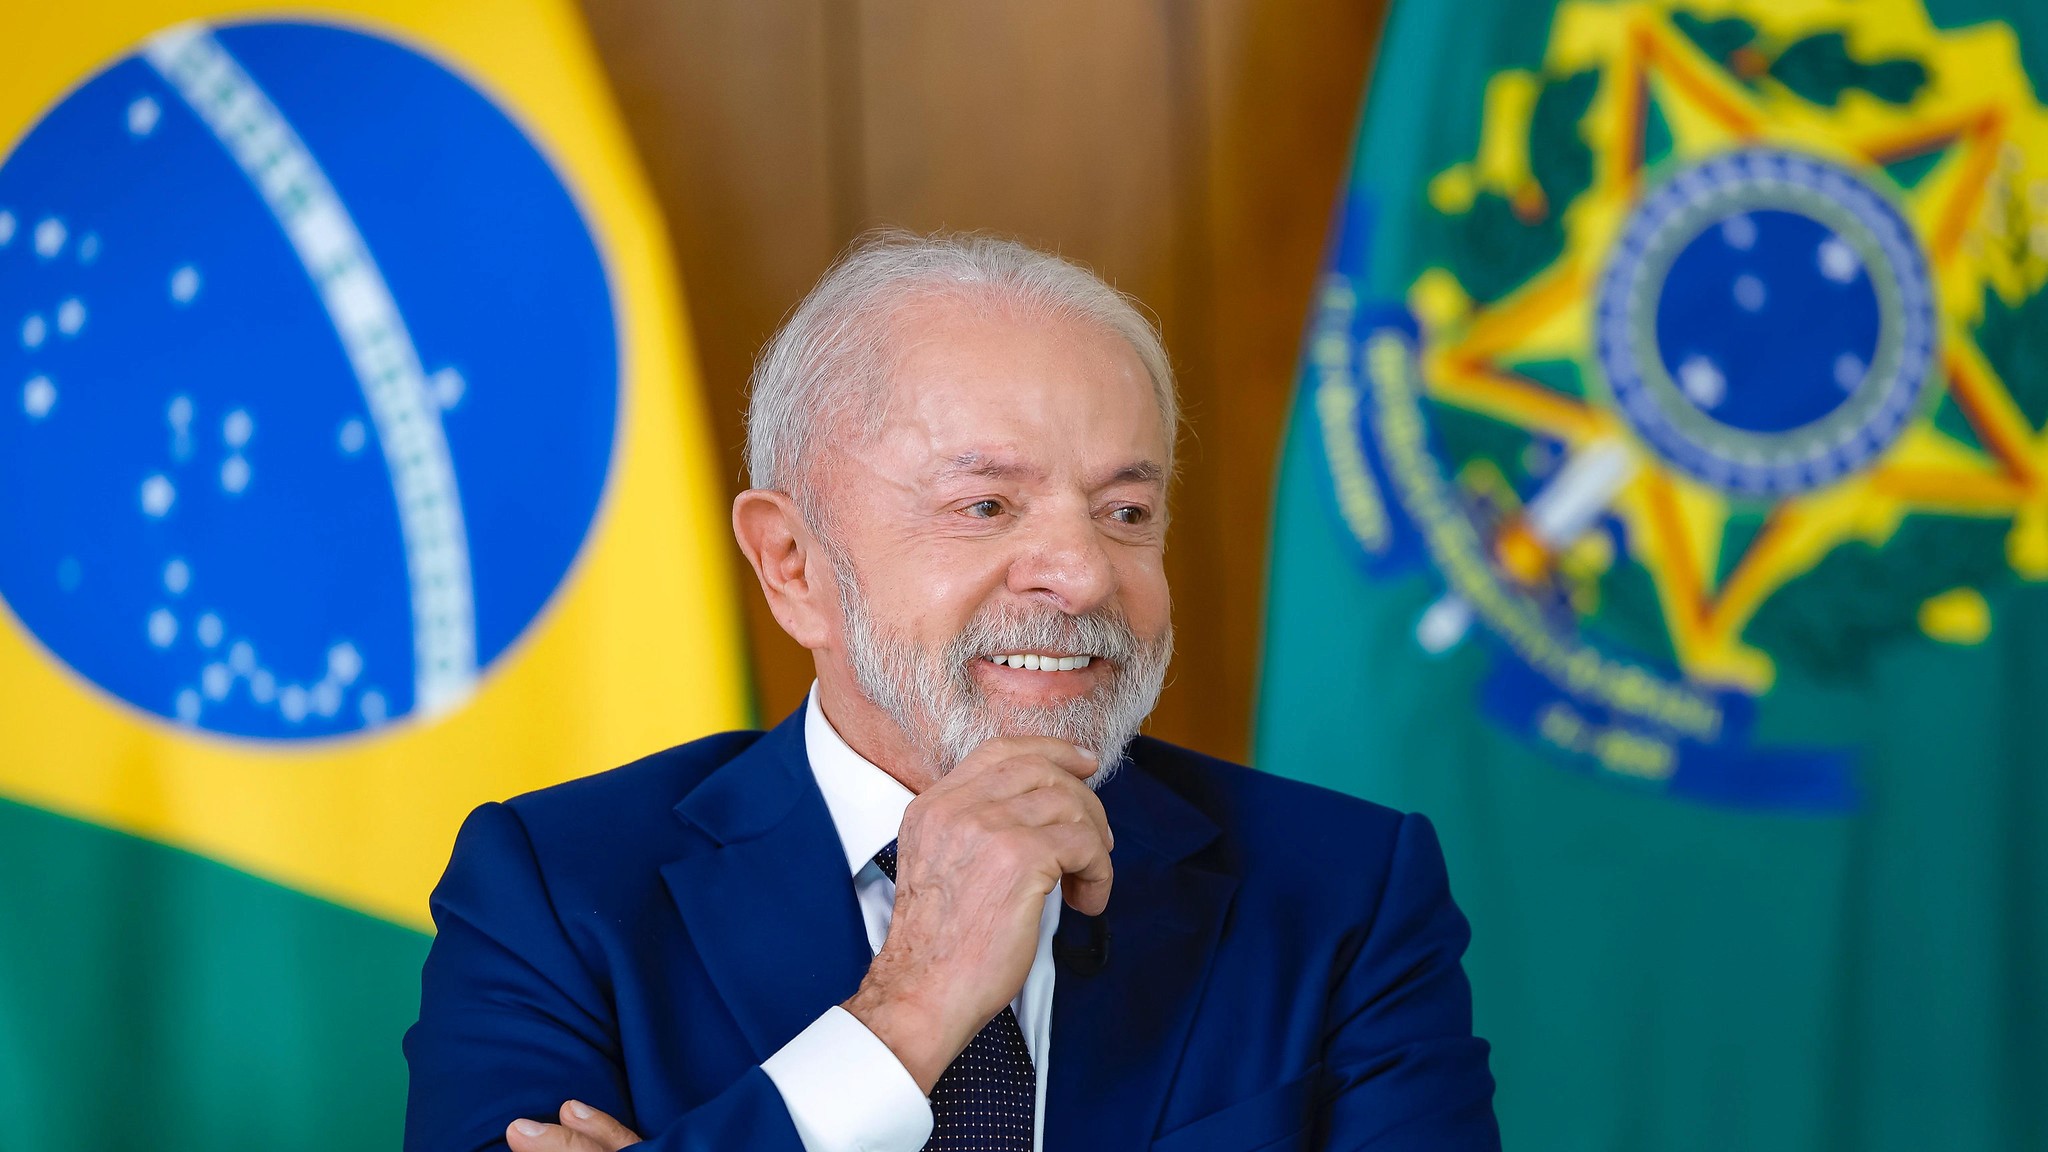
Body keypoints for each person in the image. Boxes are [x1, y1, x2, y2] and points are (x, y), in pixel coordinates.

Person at [403, 232, 1499, 1152]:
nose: (1080, 575)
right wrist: (907, 1013)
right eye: (985, 507)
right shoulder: (553, 893)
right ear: (793, 564)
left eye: (1125, 512)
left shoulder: (1346, 893)